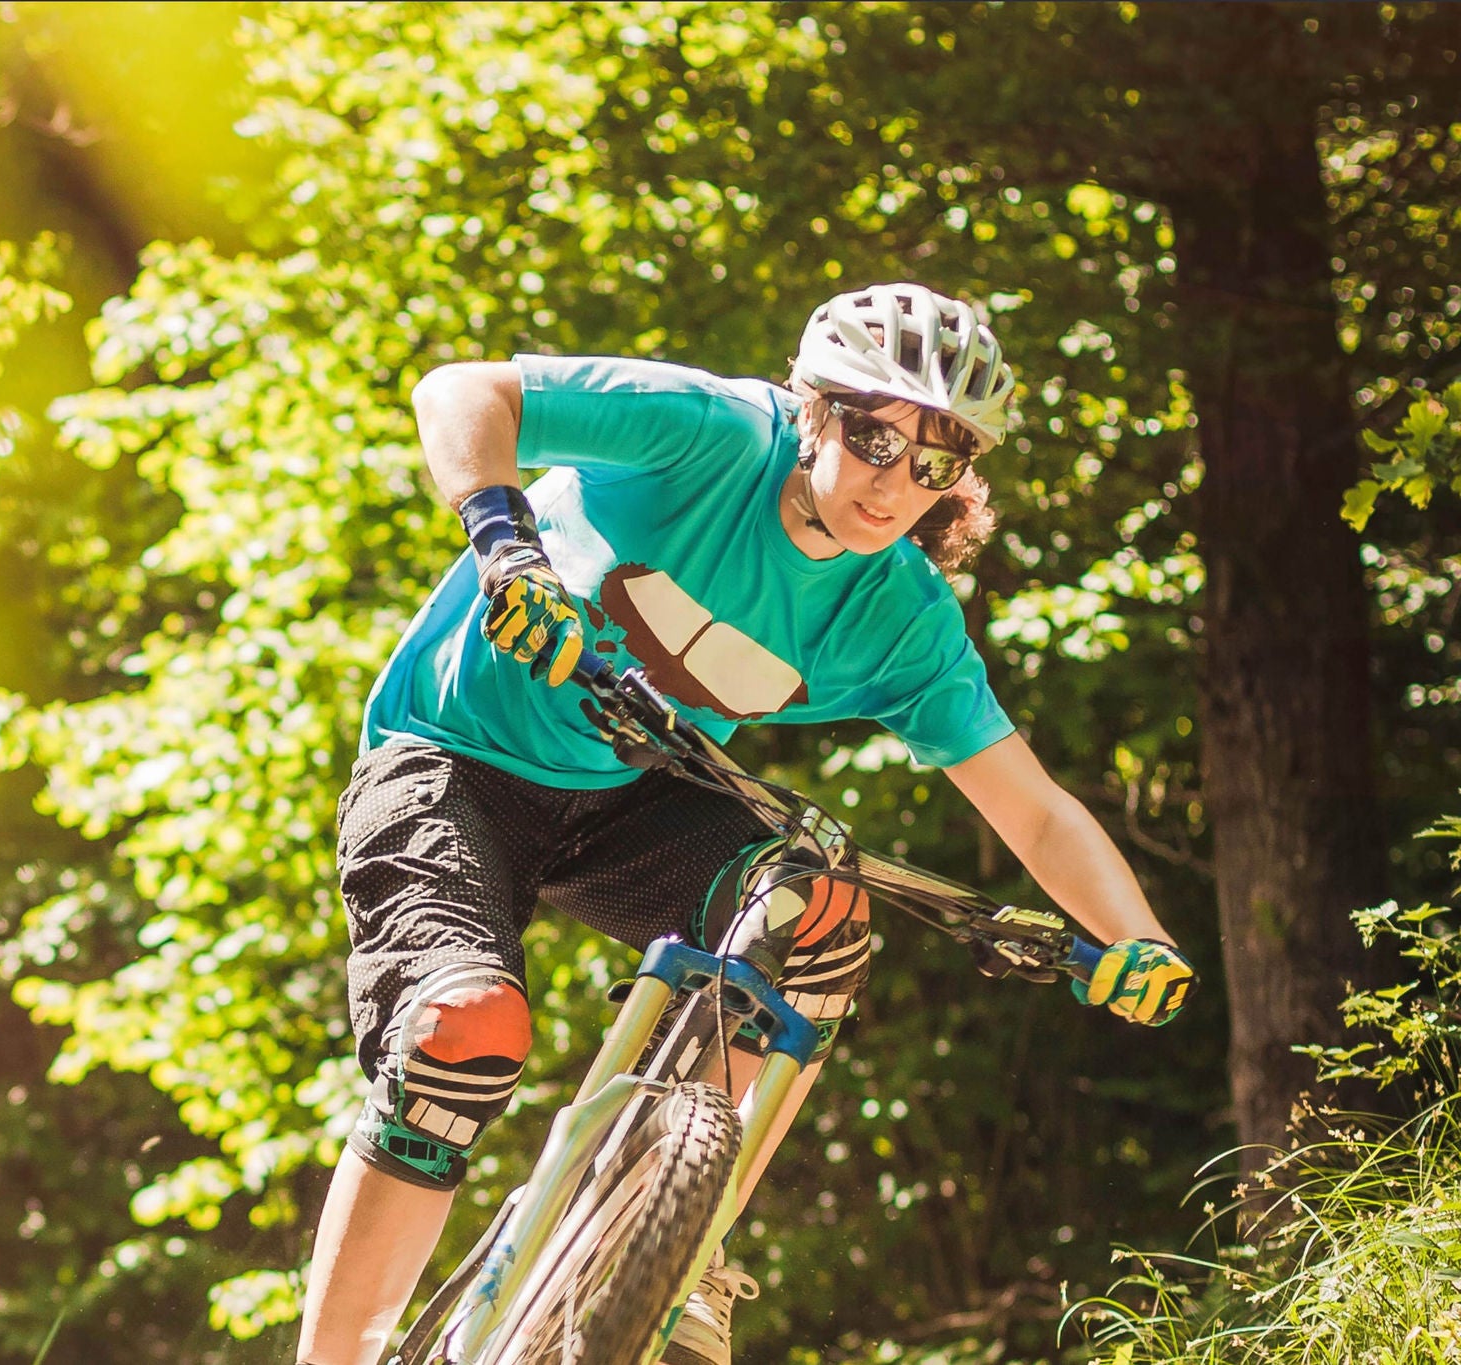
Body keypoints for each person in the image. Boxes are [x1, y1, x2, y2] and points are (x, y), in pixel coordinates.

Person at [296, 283, 1195, 1365]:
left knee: (817, 914)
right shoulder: (705, 434)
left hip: (632, 793)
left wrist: (1136, 941)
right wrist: (506, 548)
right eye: (872, 436)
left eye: (934, 463)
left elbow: (1035, 810)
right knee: (466, 1034)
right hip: (448, 757)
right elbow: (461, 392)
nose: (892, 481)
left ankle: (685, 1241)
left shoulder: (898, 616)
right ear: (812, 409)